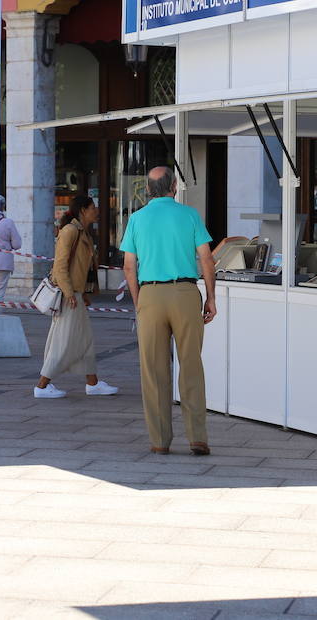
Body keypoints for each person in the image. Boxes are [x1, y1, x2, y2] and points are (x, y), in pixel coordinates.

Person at [120, 166, 216, 456]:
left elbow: (128, 267)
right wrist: (211, 297)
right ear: (174, 186)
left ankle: (160, 440)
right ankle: (197, 437)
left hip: (150, 294)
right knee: (191, 366)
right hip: (185, 292)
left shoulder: (136, 219)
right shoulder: (189, 215)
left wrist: (139, 301)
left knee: (153, 370)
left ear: (148, 189)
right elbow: (207, 259)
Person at [35, 196, 119, 400]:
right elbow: (60, 266)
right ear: (83, 210)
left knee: (84, 341)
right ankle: (42, 385)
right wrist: (70, 293)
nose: (96, 210)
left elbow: (83, 267)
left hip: (77, 294)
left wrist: (84, 293)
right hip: (68, 295)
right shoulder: (70, 231)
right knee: (63, 341)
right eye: (92, 207)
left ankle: (93, 383)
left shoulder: (83, 232)